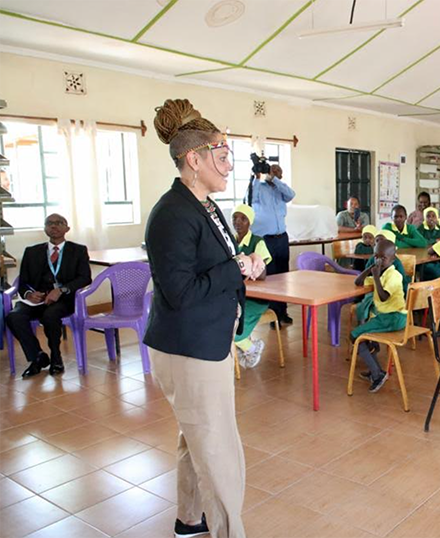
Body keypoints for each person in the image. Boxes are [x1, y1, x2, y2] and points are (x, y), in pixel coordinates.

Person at [145, 99, 265, 538]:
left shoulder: (205, 206)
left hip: (207, 340)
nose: (229, 166)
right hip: (187, 346)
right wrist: (234, 269)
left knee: (196, 437)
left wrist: (245, 263)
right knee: (217, 449)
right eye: (222, 155)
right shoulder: (172, 215)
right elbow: (179, 292)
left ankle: (189, 520)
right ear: (194, 159)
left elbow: (214, 266)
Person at [7, 213, 91, 378]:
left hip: (62, 299)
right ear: (45, 228)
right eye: (49, 223)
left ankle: (56, 357)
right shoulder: (32, 252)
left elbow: (85, 278)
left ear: (67, 228)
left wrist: (61, 290)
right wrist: (30, 294)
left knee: (50, 315)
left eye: (59, 223)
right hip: (36, 300)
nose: (54, 226)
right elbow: (22, 282)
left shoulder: (78, 250)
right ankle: (37, 356)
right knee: (14, 317)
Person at [351, 239, 406, 393]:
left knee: (355, 335)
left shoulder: (394, 275)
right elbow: (358, 282)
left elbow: (383, 297)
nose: (379, 260)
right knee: (365, 336)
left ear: (393, 259)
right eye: (376, 256)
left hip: (393, 318)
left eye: (383, 258)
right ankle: (375, 368)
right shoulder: (380, 272)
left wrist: (375, 276)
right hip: (384, 317)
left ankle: (377, 374)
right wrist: (369, 269)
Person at [250, 163, 295, 325]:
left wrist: (275, 180)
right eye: (273, 171)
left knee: (283, 276)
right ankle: (271, 314)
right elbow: (250, 198)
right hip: (265, 239)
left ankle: (282, 312)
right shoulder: (259, 188)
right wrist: (257, 177)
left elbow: (291, 195)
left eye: (279, 172)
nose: (277, 173)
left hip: (281, 237)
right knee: (270, 277)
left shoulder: (280, 189)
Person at [231, 204, 272, 369]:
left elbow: (261, 274)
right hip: (236, 296)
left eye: (243, 219)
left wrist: (245, 262)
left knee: (235, 332)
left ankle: (252, 348)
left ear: (250, 223)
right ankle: (249, 347)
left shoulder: (257, 242)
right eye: (235, 217)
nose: (238, 222)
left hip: (256, 298)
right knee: (223, 324)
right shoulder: (231, 242)